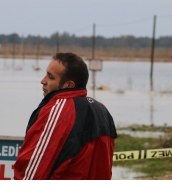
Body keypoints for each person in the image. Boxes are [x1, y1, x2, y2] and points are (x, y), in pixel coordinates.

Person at [13, 52, 117, 180]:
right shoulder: (102, 110)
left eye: (50, 77)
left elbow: (34, 169)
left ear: (69, 85)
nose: (43, 81)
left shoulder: (60, 110)